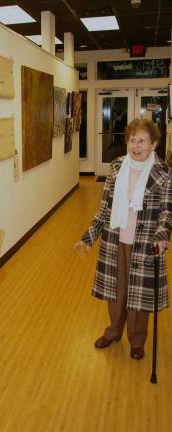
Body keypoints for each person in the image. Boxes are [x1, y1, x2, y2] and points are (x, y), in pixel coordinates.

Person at [75, 118, 172, 360]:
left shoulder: (164, 173)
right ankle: (114, 331)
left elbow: (166, 212)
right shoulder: (118, 166)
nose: (135, 146)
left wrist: (161, 236)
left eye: (142, 141)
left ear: (154, 144)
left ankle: (137, 341)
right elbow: (105, 208)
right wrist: (88, 237)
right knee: (116, 292)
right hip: (116, 238)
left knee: (140, 296)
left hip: (145, 243)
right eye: (132, 140)